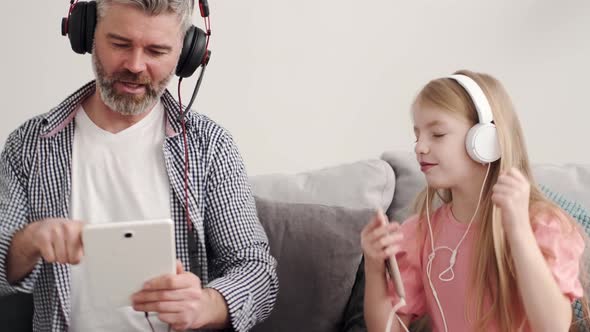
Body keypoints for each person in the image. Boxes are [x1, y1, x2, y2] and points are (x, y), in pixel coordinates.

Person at [0, 1, 278, 331]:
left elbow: (257, 269)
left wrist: (207, 304)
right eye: (119, 44)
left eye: (156, 51)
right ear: (87, 34)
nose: (134, 65)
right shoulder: (29, 144)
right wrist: (28, 242)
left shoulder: (211, 146)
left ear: (187, 54)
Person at [361, 70, 588, 331]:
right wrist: (374, 266)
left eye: (437, 134)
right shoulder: (422, 234)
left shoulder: (543, 225)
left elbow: (553, 327)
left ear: (485, 140)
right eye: (417, 135)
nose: (419, 147)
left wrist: (518, 230)